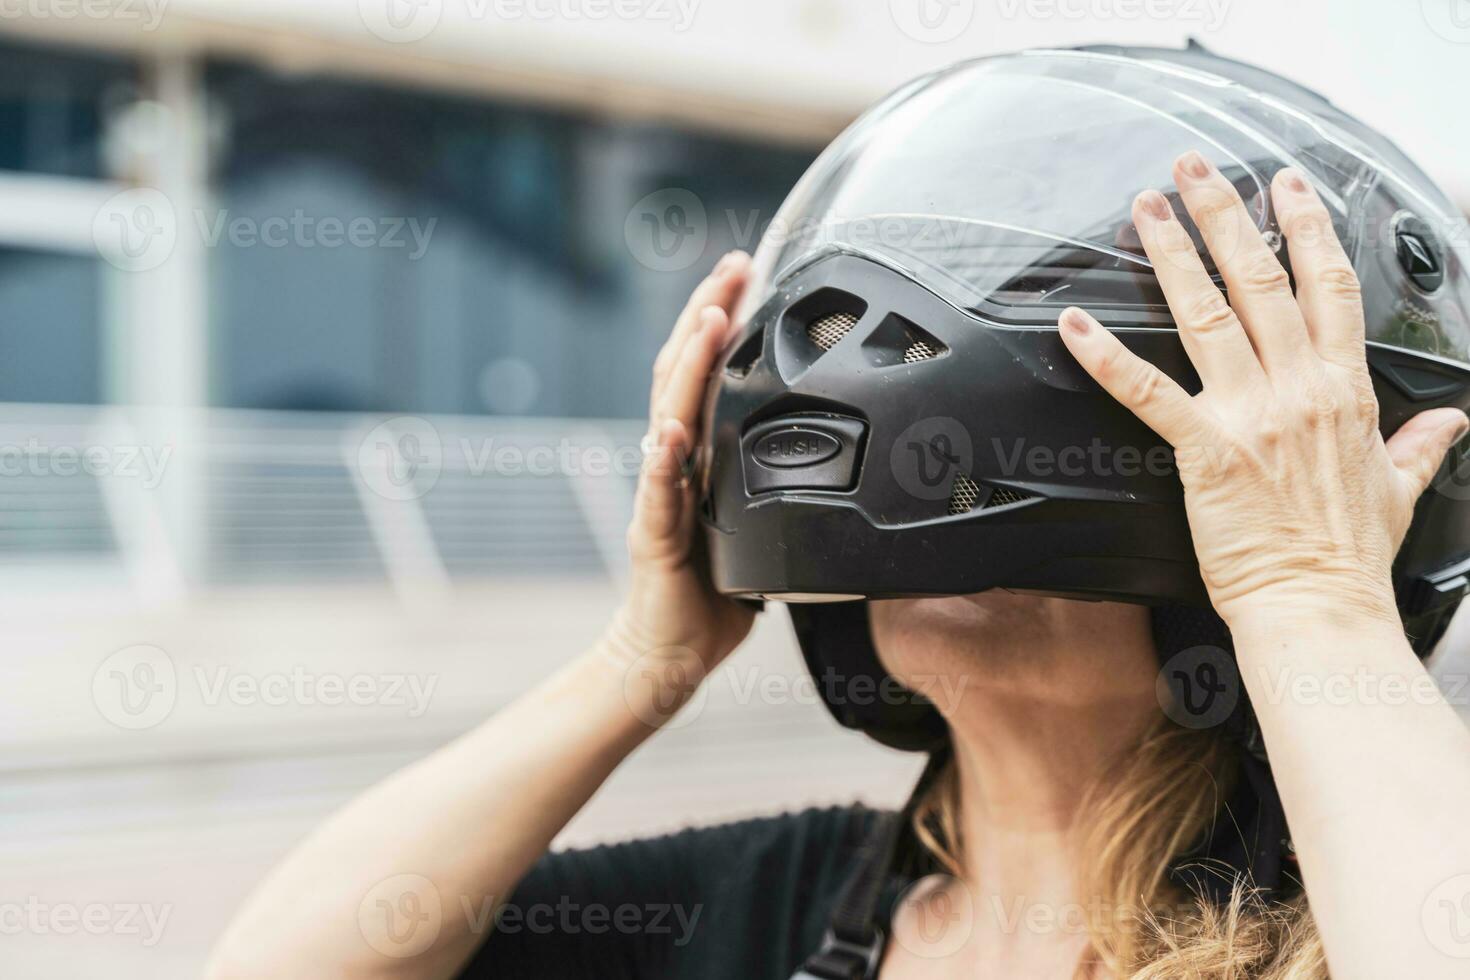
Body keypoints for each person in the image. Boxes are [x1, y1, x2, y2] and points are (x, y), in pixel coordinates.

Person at [205, 149, 1470, 979]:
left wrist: (1313, 598)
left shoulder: (1337, 923)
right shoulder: (778, 902)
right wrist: (639, 662)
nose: (941, 506)